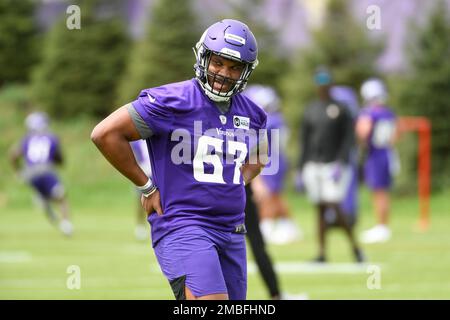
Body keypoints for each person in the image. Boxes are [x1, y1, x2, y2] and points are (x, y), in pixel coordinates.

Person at [91, 19, 267, 300]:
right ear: (203, 57)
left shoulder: (253, 114)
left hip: (232, 229)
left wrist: (235, 180)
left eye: (234, 67)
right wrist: (146, 185)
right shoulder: (171, 100)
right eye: (218, 62)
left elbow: (261, 155)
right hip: (184, 225)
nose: (224, 73)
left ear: (246, 71)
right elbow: (105, 134)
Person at [296, 68, 364, 263]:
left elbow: (348, 139)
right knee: (319, 208)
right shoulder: (311, 109)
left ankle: (355, 247)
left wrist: (341, 161)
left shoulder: (341, 109)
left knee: (334, 204)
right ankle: (322, 252)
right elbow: (305, 140)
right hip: (314, 165)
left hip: (333, 165)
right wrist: (300, 168)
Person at [244, 84, 302, 245]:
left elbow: (254, 141)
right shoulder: (279, 119)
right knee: (275, 195)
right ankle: (288, 225)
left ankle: (267, 226)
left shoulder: (269, 121)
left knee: (268, 196)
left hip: (270, 161)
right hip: (277, 160)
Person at [9, 111, 74, 237]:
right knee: (61, 197)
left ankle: (44, 202)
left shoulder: (27, 138)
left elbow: (13, 154)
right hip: (47, 170)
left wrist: (18, 171)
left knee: (45, 195)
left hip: (30, 173)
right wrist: (59, 162)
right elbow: (59, 158)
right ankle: (66, 225)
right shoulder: (51, 137)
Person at [357, 78, 398, 244]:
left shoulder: (370, 113)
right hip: (387, 153)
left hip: (376, 155)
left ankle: (382, 226)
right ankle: (383, 225)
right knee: (383, 192)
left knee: (379, 192)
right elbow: (397, 133)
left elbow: (363, 132)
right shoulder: (388, 112)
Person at [130, 139, 152, 241]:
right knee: (141, 201)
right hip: (143, 173)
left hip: (155, 173)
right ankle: (140, 226)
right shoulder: (136, 142)